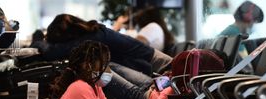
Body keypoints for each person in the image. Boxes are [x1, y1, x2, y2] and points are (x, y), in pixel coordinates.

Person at [43, 13, 173, 76]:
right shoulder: (97, 33)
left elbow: (51, 52)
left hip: (151, 70)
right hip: (148, 67)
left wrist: (37, 37)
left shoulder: (97, 35)